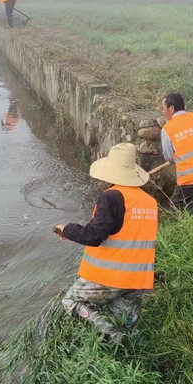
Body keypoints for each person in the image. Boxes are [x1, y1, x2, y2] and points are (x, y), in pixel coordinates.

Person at [54, 143, 158, 343]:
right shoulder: (149, 202)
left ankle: (105, 331)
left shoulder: (111, 196)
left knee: (72, 301)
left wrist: (67, 229)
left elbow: (95, 235)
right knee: (124, 323)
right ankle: (122, 348)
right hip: (138, 279)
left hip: (110, 276)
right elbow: (127, 233)